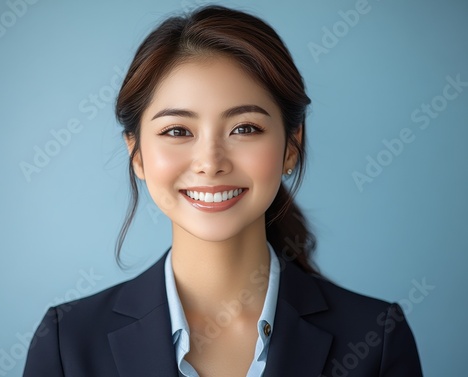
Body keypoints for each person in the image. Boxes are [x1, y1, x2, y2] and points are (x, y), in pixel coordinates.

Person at [23, 5, 423, 377]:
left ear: (291, 146)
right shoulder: (67, 342)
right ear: (137, 155)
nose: (210, 161)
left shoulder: (376, 338)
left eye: (244, 128)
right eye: (177, 131)